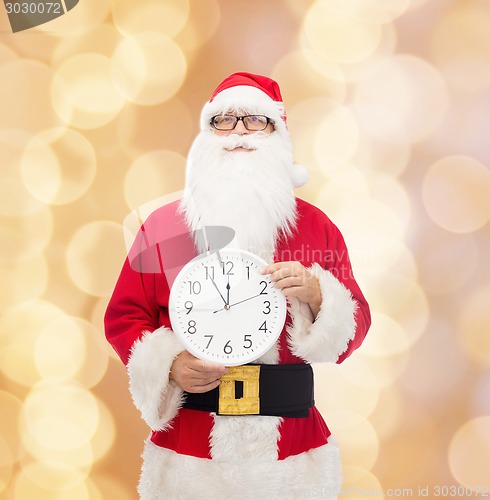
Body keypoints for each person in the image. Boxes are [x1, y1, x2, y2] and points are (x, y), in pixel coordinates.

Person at [105, 72, 371, 499]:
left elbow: (356, 324)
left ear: (278, 135)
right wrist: (169, 364)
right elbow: (125, 316)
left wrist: (319, 295)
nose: (238, 133)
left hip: (291, 453)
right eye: (224, 121)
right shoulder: (165, 228)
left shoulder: (316, 229)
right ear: (207, 135)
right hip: (191, 453)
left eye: (255, 120)